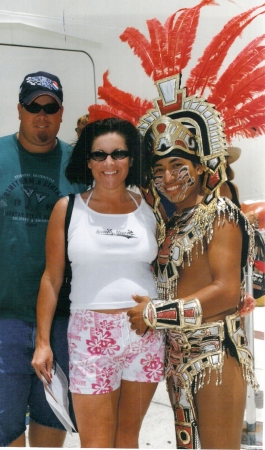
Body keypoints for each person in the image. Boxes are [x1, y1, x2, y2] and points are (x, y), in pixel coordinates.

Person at [0, 71, 85, 447]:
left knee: (51, 415)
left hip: (64, 317)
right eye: (33, 106)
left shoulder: (79, 165)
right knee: (4, 429)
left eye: (50, 107)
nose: (42, 115)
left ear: (61, 112)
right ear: (19, 110)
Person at [126, 75, 258, 449]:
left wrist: (156, 314)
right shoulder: (170, 223)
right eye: (158, 169)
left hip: (215, 356)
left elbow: (226, 292)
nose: (168, 178)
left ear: (201, 166)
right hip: (177, 357)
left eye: (178, 165)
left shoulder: (220, 213)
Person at [32, 117, 165, 448]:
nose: (109, 163)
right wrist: (43, 342)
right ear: (87, 161)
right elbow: (51, 279)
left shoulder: (149, 207)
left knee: (127, 438)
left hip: (145, 333)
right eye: (99, 155)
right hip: (91, 335)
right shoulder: (69, 209)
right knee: (95, 442)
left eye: (118, 154)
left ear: (131, 159)